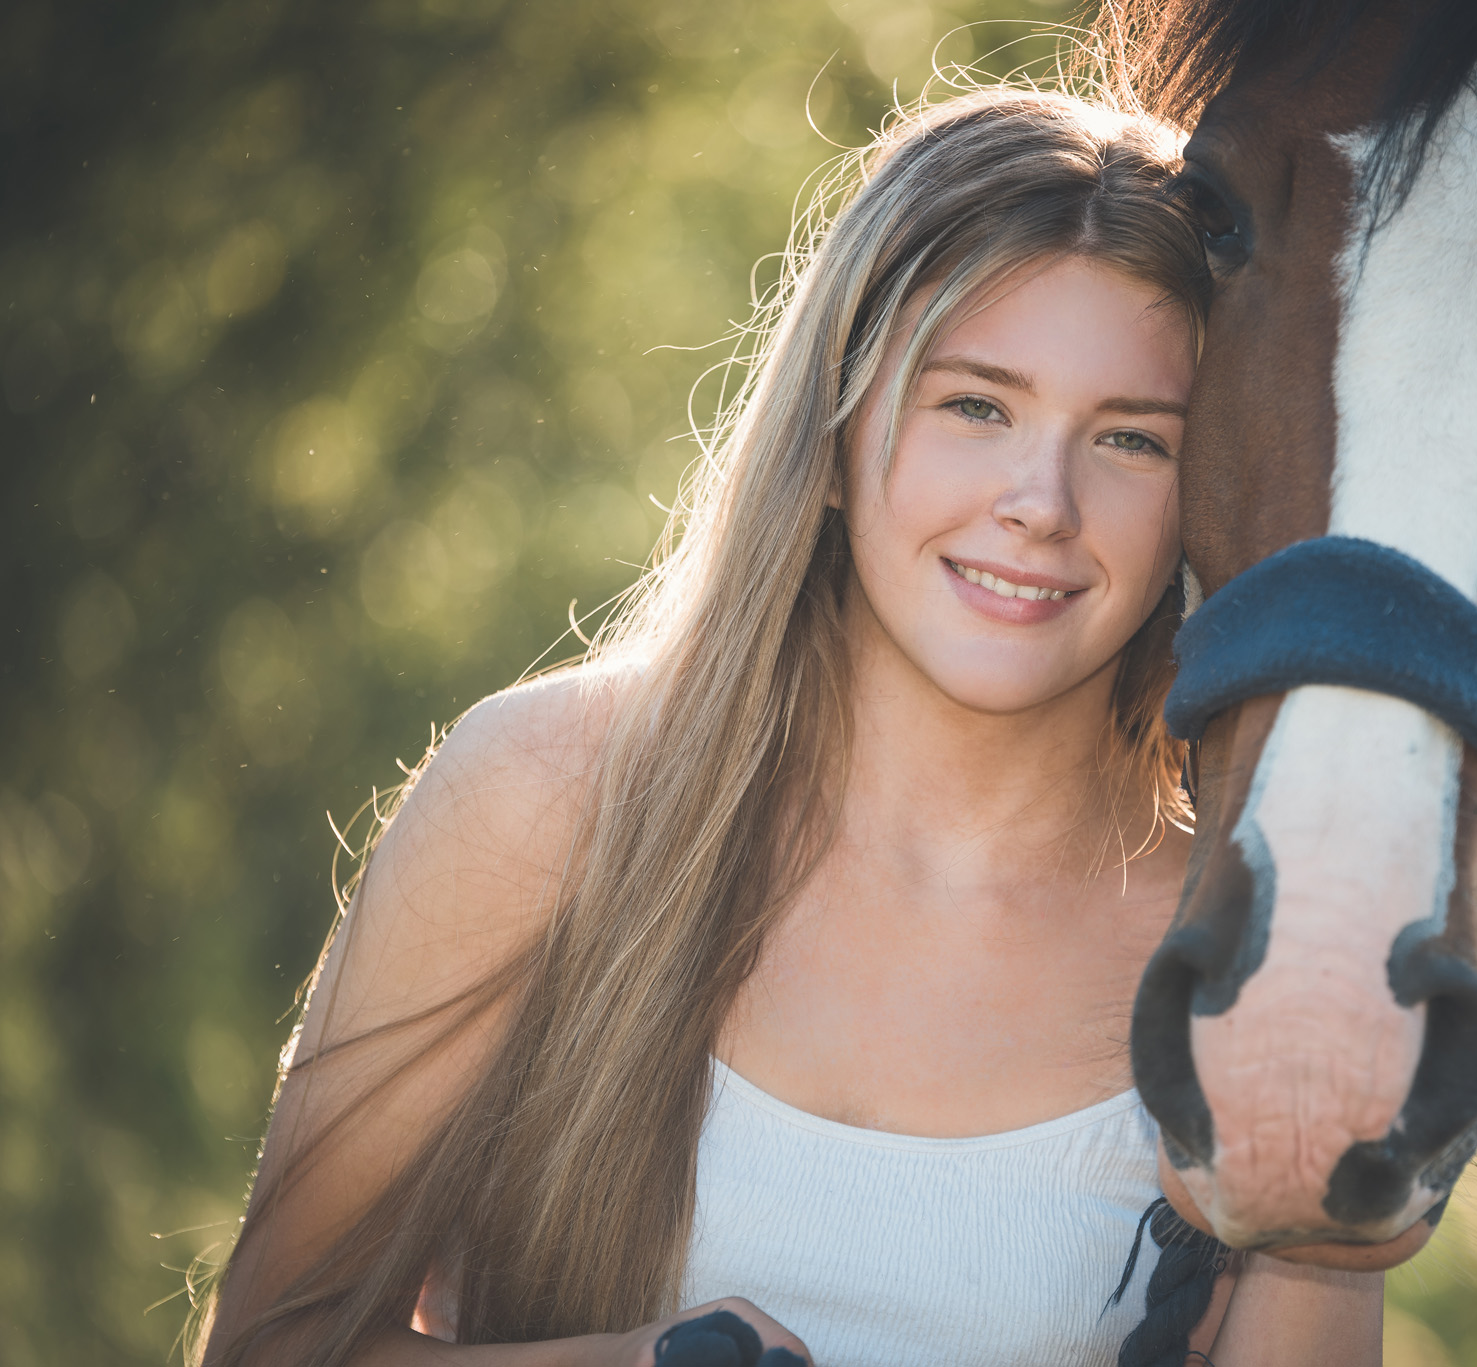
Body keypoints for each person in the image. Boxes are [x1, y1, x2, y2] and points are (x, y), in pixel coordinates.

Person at [194, 87, 1384, 1367]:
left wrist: (1332, 1245)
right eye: (973, 405)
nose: (1040, 502)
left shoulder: (1247, 941)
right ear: (830, 432)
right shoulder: (545, 798)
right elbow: (273, 1344)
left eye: (1132, 440)